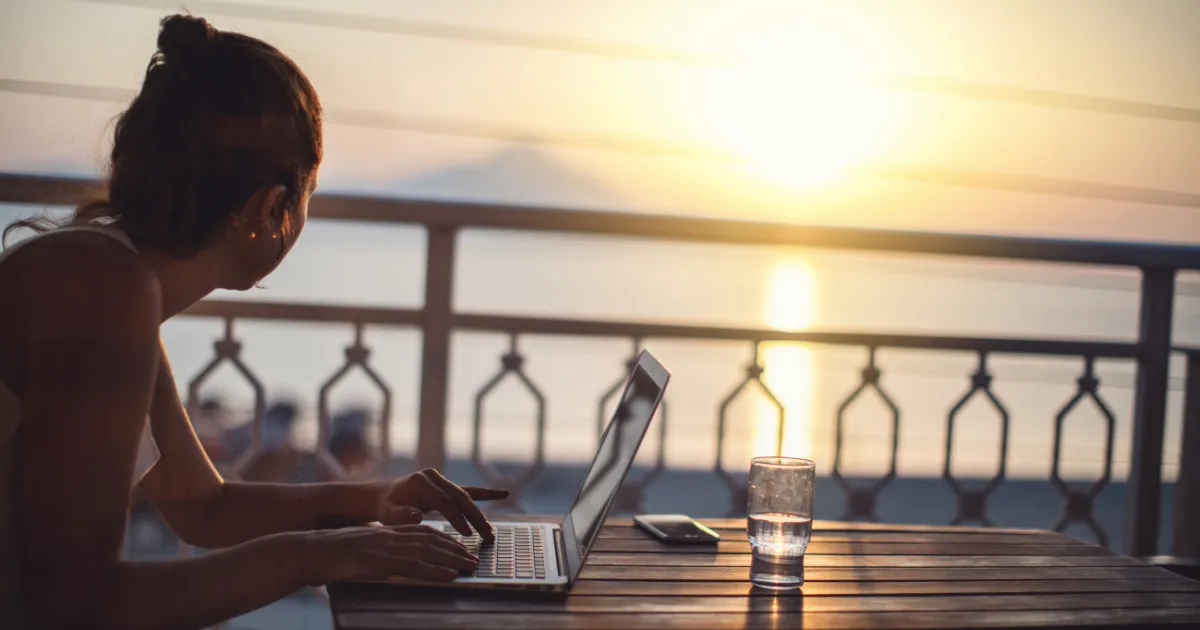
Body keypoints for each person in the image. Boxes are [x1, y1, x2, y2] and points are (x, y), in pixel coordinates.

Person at [0, 15, 506, 629]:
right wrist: (316, 556)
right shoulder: (103, 290)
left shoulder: (112, 273)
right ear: (270, 208)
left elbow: (201, 506)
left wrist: (372, 500)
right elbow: (76, 606)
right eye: (307, 194)